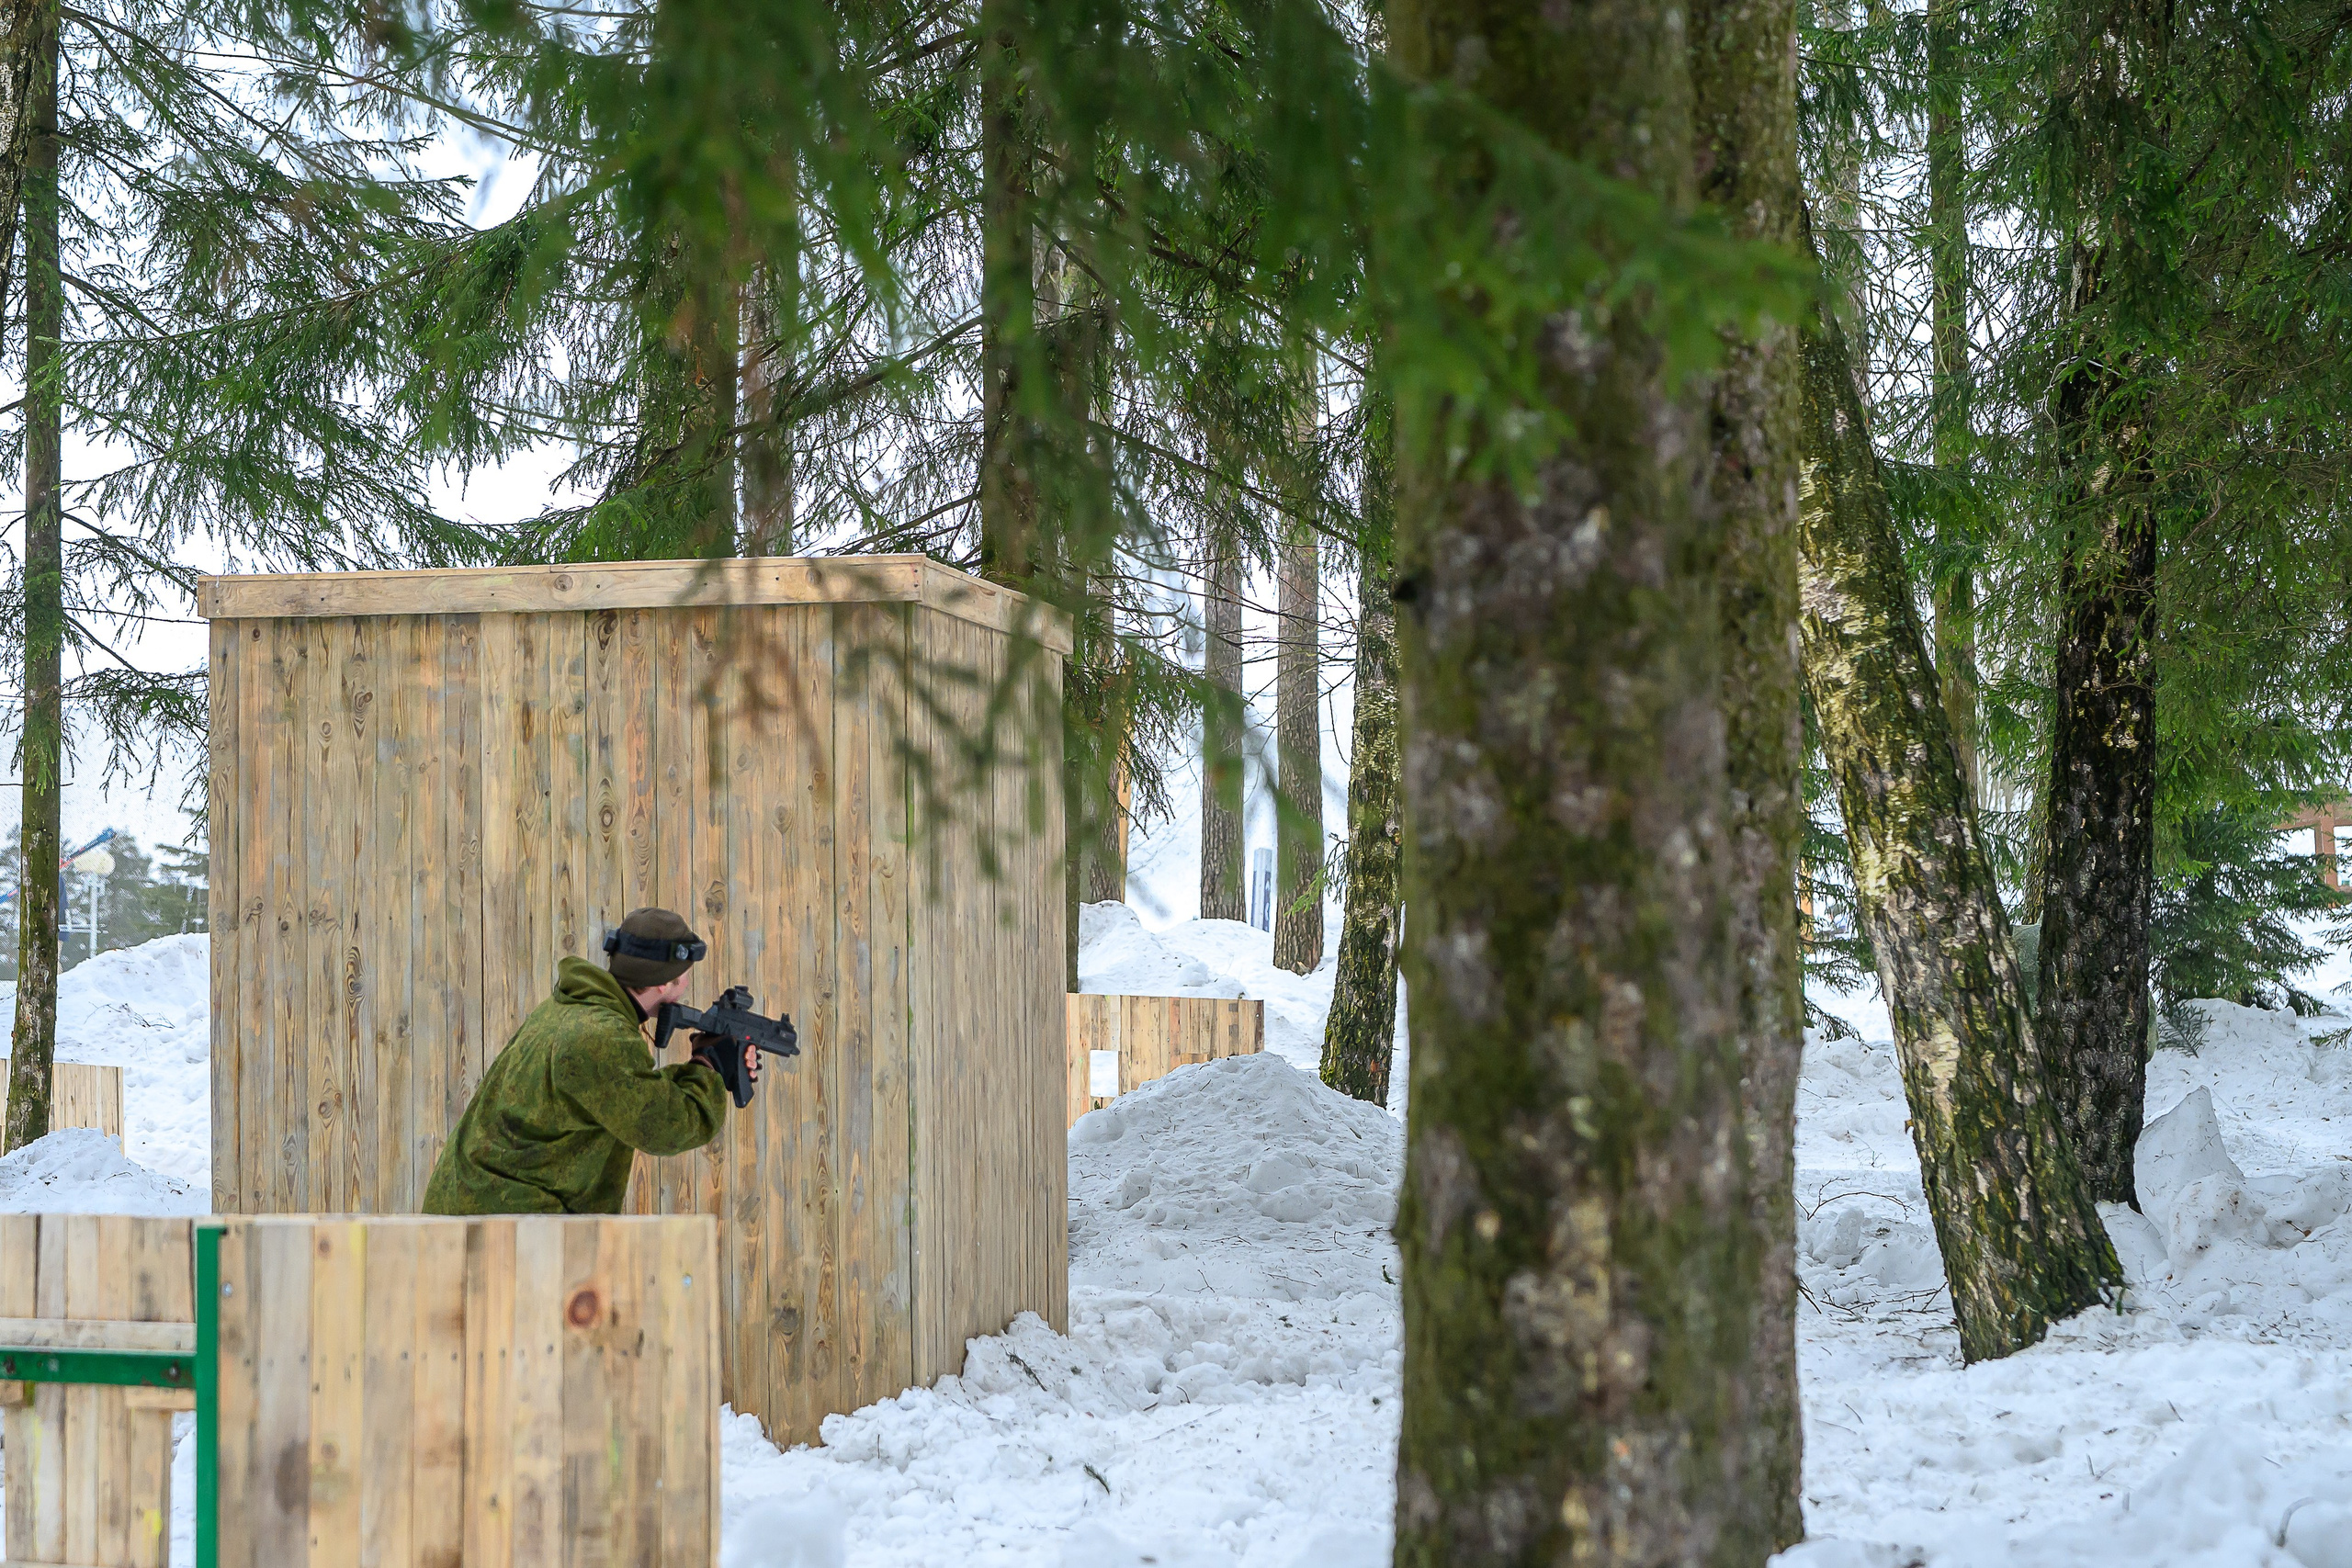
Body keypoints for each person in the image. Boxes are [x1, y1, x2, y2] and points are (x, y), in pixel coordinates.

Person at [420, 907, 756, 1215]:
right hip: (503, 1225)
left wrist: (702, 1065)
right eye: (684, 977)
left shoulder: (575, 1008)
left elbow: (620, 1092)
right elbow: (666, 1127)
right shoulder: (601, 1036)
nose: (684, 986)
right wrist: (708, 1065)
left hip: (484, 1208)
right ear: (665, 982)